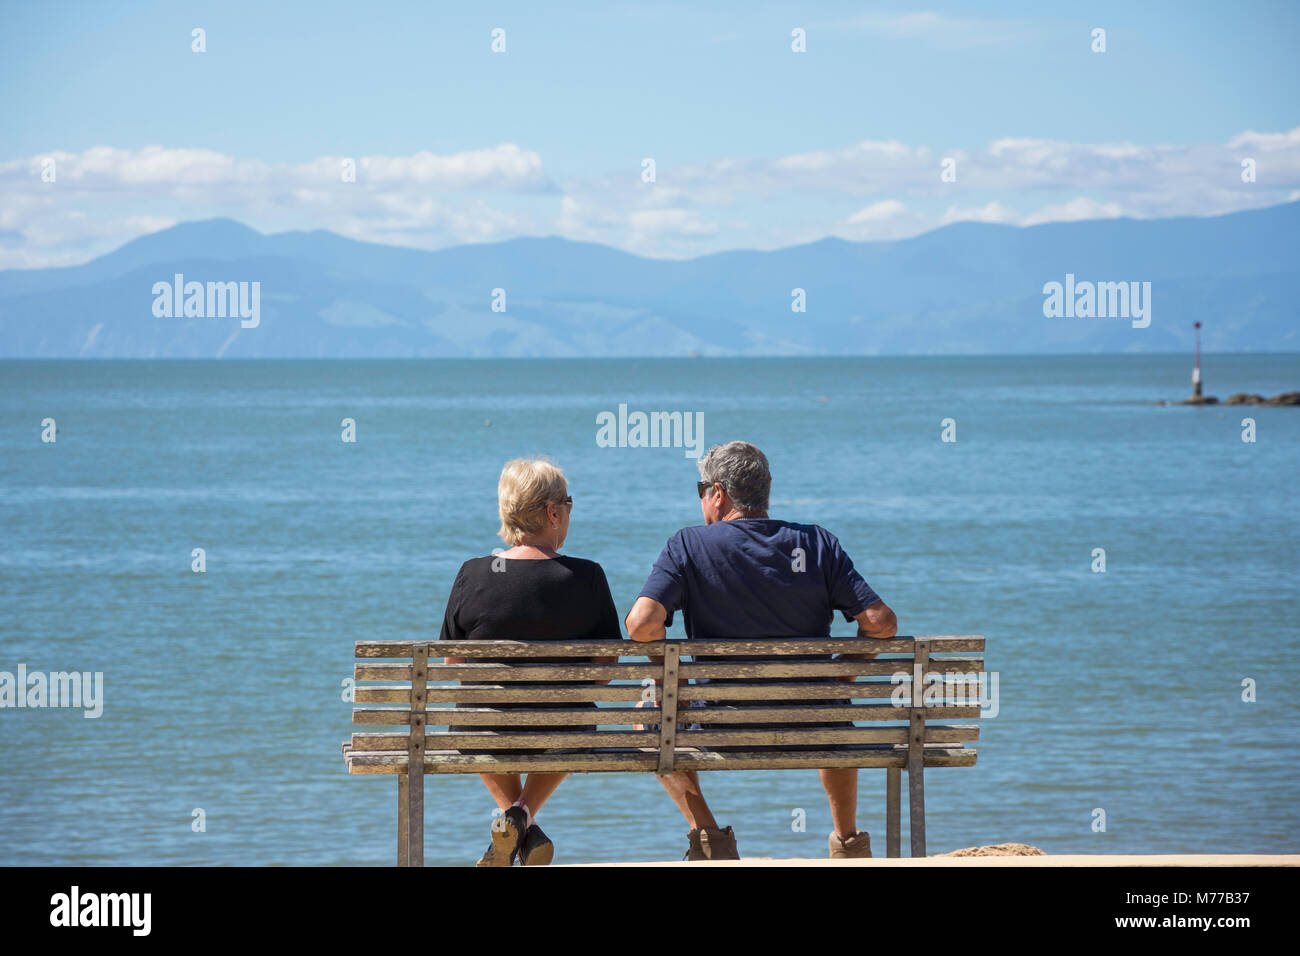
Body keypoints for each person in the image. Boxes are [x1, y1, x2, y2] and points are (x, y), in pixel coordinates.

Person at [625, 441, 898, 861]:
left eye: (701, 490)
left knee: (647, 717)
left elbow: (641, 624)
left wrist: (668, 675)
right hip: (813, 724)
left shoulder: (687, 546)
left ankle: (709, 835)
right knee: (834, 707)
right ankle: (848, 842)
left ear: (718, 493)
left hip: (721, 726)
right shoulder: (817, 543)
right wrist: (846, 670)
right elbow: (880, 624)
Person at [440, 457, 621, 866]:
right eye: (569, 504)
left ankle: (518, 822)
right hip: (565, 731)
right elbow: (608, 668)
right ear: (552, 513)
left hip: (483, 731)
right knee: (573, 721)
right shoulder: (587, 576)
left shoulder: (472, 572)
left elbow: (452, 660)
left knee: (475, 715)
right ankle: (523, 818)